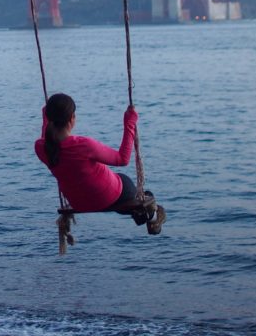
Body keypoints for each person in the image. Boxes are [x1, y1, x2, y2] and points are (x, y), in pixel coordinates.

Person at [35, 92, 166, 235]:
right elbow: (122, 159)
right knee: (138, 191)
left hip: (78, 202)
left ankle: (142, 214)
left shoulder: (41, 148)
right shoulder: (84, 145)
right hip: (109, 196)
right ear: (72, 118)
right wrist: (129, 123)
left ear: (50, 119)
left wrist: (45, 118)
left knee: (123, 195)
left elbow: (46, 139)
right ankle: (152, 218)